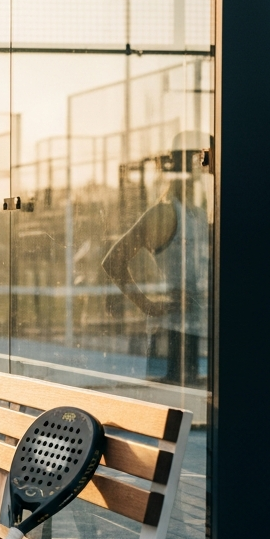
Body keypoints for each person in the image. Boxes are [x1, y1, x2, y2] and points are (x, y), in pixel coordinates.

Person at [102, 130, 210, 387]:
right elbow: (113, 261)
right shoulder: (164, 213)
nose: (205, 165)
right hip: (175, 336)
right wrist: (147, 304)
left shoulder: (199, 212)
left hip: (202, 330)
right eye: (201, 158)